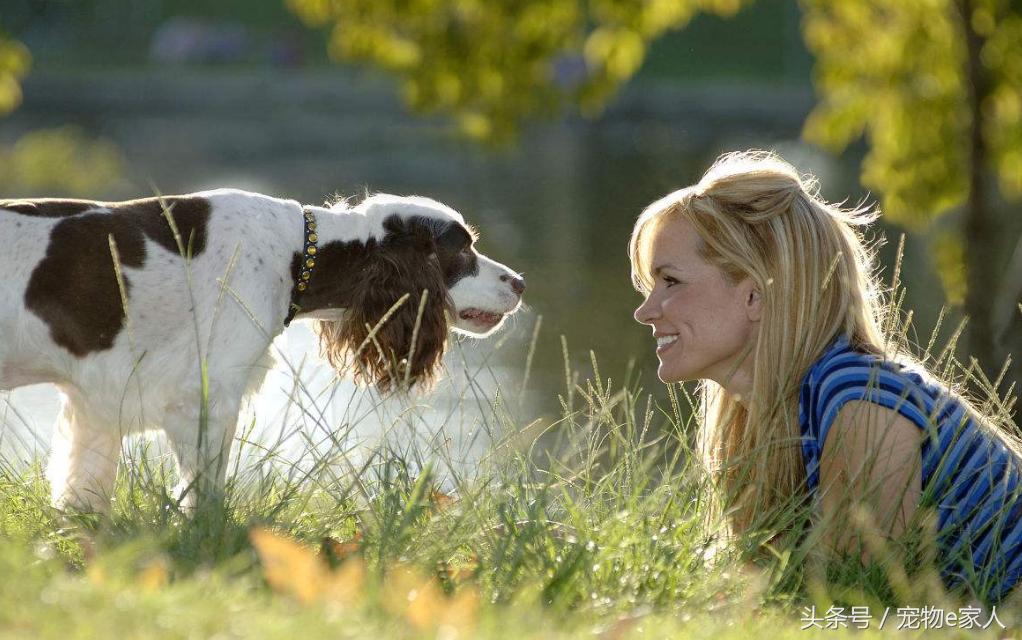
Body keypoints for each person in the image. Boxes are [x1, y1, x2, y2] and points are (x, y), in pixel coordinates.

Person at [629, 150, 1022, 604]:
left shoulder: (862, 402)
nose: (645, 311)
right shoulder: (763, 420)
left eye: (670, 282)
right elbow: (774, 610)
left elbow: (848, 610)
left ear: (755, 294)